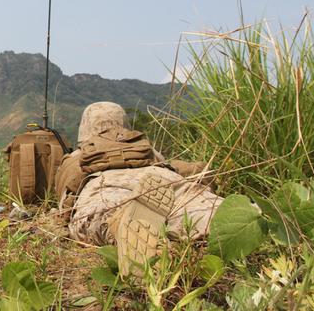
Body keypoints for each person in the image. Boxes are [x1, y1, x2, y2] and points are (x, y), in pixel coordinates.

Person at [55, 102, 222, 277]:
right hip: (160, 178)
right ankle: (227, 218)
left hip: (105, 184)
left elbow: (65, 196)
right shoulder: (148, 150)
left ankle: (121, 225)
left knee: (100, 217)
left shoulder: (77, 157)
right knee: (204, 210)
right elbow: (185, 169)